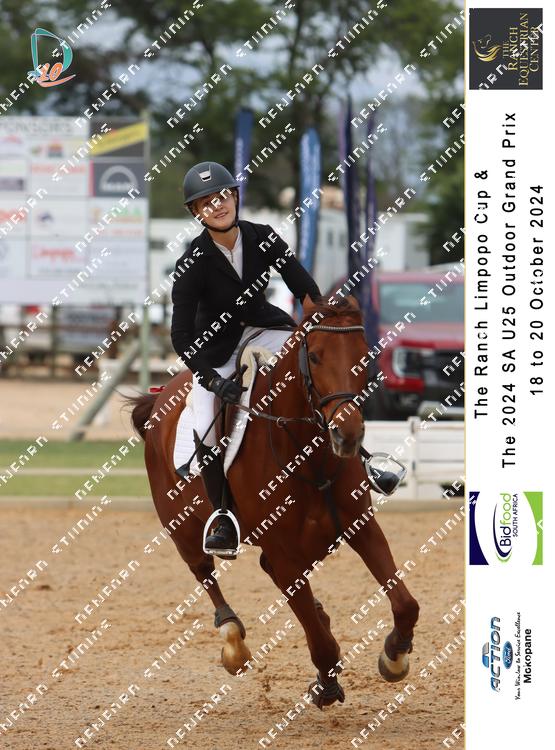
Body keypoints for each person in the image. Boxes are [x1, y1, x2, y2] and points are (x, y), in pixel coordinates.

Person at [170, 161, 321, 557]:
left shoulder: (263, 237)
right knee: (204, 423)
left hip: (263, 328)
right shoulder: (192, 262)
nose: (217, 205)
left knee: (311, 367)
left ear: (235, 197)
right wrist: (212, 380)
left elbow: (304, 288)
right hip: (215, 348)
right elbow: (180, 336)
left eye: (222, 196)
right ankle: (222, 515)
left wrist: (319, 323)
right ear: (196, 212)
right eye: (206, 202)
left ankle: (357, 459)